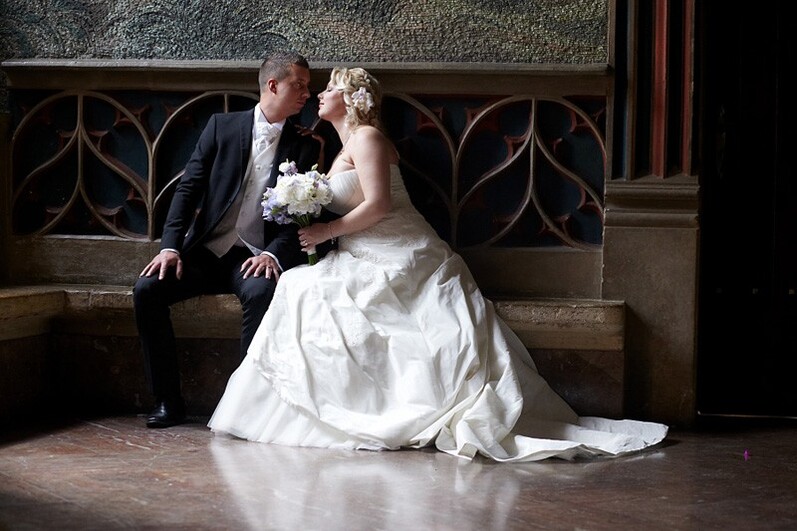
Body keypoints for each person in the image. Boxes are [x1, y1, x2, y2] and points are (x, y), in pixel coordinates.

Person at [207, 67, 668, 462]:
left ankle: (368, 409)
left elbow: (380, 205)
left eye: (329, 88)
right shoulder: (342, 143)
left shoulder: (367, 137)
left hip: (398, 250)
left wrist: (326, 231)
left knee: (306, 290)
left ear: (350, 99)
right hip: (359, 250)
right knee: (299, 288)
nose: (320, 94)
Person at [133, 51, 321, 429]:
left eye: (308, 87)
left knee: (262, 292)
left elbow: (303, 214)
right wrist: (170, 246)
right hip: (206, 251)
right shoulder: (221, 127)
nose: (307, 94)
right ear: (273, 85)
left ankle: (243, 408)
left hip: (254, 254)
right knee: (147, 289)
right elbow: (188, 190)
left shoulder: (306, 144)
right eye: (299, 85)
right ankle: (168, 401)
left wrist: (273, 254)